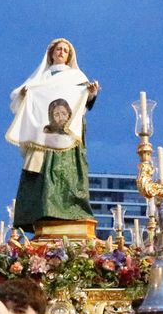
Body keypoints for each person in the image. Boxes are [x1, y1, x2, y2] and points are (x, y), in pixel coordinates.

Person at [7, 38, 100, 232]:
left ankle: (72, 209)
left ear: (69, 56)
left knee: (67, 174)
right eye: (59, 49)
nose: (61, 52)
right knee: (43, 175)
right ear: (51, 53)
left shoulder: (76, 76)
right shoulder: (41, 78)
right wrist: (26, 94)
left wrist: (90, 94)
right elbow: (20, 96)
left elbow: (84, 101)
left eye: (65, 50)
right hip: (44, 137)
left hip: (67, 137)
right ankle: (44, 210)